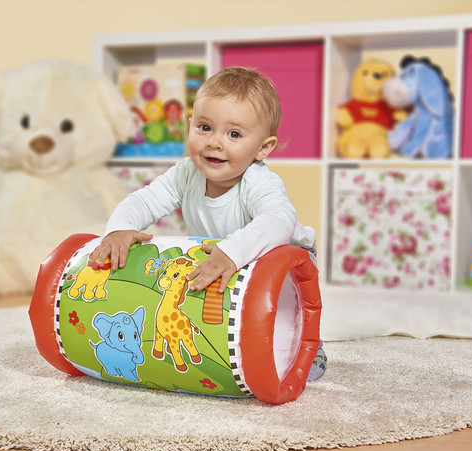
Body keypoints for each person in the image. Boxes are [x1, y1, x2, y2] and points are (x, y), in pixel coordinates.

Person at [90, 66, 326, 381]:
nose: (214, 142)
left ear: (263, 148)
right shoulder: (185, 173)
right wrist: (119, 228)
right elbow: (144, 201)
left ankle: (310, 349)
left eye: (234, 134)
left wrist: (234, 250)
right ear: (189, 126)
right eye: (204, 127)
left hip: (285, 259)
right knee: (227, 313)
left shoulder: (259, 182)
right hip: (228, 258)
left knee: (283, 316)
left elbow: (279, 220)